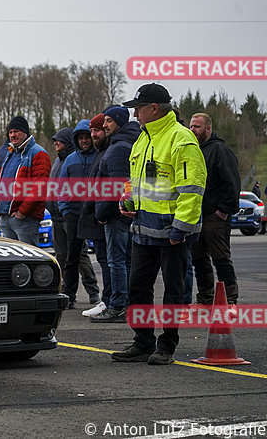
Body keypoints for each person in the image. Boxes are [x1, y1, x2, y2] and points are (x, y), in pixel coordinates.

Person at [111, 83, 206, 366]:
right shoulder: (143, 139)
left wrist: (181, 228)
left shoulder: (182, 139)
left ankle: (167, 346)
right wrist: (127, 201)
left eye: (138, 109)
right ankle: (142, 342)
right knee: (138, 287)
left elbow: (192, 189)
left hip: (172, 232)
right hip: (143, 229)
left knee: (173, 291)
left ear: (153, 108)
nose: (135, 114)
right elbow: (135, 180)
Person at [91, 107, 137, 322]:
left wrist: (102, 211)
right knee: (123, 261)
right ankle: (125, 304)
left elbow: (116, 187)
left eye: (108, 121)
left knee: (116, 261)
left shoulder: (119, 148)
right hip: (119, 214)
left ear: (119, 122)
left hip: (115, 216)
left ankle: (118, 306)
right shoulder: (121, 143)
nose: (105, 125)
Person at [189, 113, 240, 305]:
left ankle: (230, 300)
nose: (193, 130)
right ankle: (205, 300)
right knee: (199, 261)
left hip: (214, 217)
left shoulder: (219, 150)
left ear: (208, 129)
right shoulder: (194, 150)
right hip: (196, 216)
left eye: (197, 127)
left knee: (221, 260)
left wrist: (223, 211)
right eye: (192, 126)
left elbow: (232, 182)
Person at [48, 127, 100, 312]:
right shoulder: (67, 160)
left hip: (93, 214)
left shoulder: (99, 157)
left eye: (87, 137)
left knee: (89, 256)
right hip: (68, 215)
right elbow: (60, 187)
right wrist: (65, 209)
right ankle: (69, 295)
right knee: (69, 257)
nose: (85, 141)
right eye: (81, 138)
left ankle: (95, 293)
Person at [0, 115, 51, 246]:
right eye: (10, 132)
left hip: (24, 219)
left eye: (16, 131)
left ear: (25, 132)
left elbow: (39, 187)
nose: (13, 135)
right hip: (5, 217)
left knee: (29, 260)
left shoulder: (38, 153)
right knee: (10, 261)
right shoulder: (10, 153)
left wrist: (22, 212)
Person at [78, 113, 110, 320]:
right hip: (97, 216)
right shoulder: (102, 152)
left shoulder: (109, 152)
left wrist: (101, 213)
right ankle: (109, 300)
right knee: (105, 260)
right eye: (91, 131)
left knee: (110, 262)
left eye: (96, 130)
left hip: (105, 218)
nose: (92, 135)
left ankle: (110, 302)